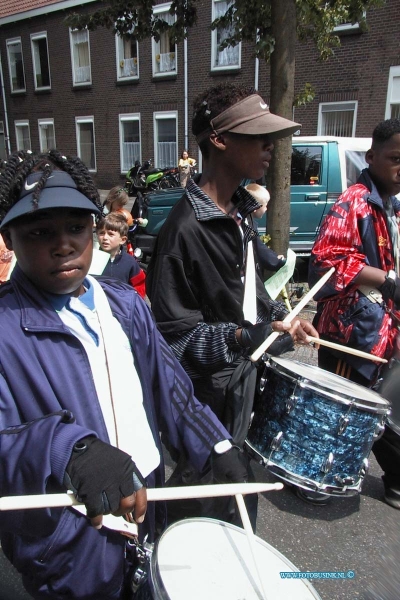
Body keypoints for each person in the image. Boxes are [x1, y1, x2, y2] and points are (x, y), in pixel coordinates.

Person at [0, 149, 249, 600]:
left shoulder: (123, 304)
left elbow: (168, 386)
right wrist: (68, 450)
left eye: (76, 227)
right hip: (71, 533)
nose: (63, 244)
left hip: (144, 501)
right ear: (9, 238)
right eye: (39, 232)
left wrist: (215, 444)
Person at [147, 83, 319, 518]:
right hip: (207, 403)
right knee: (201, 514)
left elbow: (250, 294)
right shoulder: (182, 232)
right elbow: (175, 344)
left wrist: (284, 318)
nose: (270, 148)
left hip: (246, 386)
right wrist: (243, 337)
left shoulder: (239, 212)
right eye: (258, 136)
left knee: (241, 508)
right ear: (219, 140)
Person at [308, 117, 400, 510]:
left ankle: (393, 479)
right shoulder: (354, 201)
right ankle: (318, 477)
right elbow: (325, 260)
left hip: (384, 329)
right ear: (372, 156)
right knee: (341, 409)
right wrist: (386, 280)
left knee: (380, 406)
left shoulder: (393, 205)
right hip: (351, 331)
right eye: (395, 157)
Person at [96, 212, 146, 299]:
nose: (105, 237)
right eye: (101, 233)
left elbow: (139, 285)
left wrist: (135, 302)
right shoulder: (92, 259)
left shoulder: (129, 262)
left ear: (122, 240)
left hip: (122, 307)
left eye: (110, 234)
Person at [245, 183, 287, 274]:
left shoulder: (247, 221)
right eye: (265, 206)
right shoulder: (248, 226)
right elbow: (259, 248)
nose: (266, 209)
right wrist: (275, 260)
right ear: (255, 207)